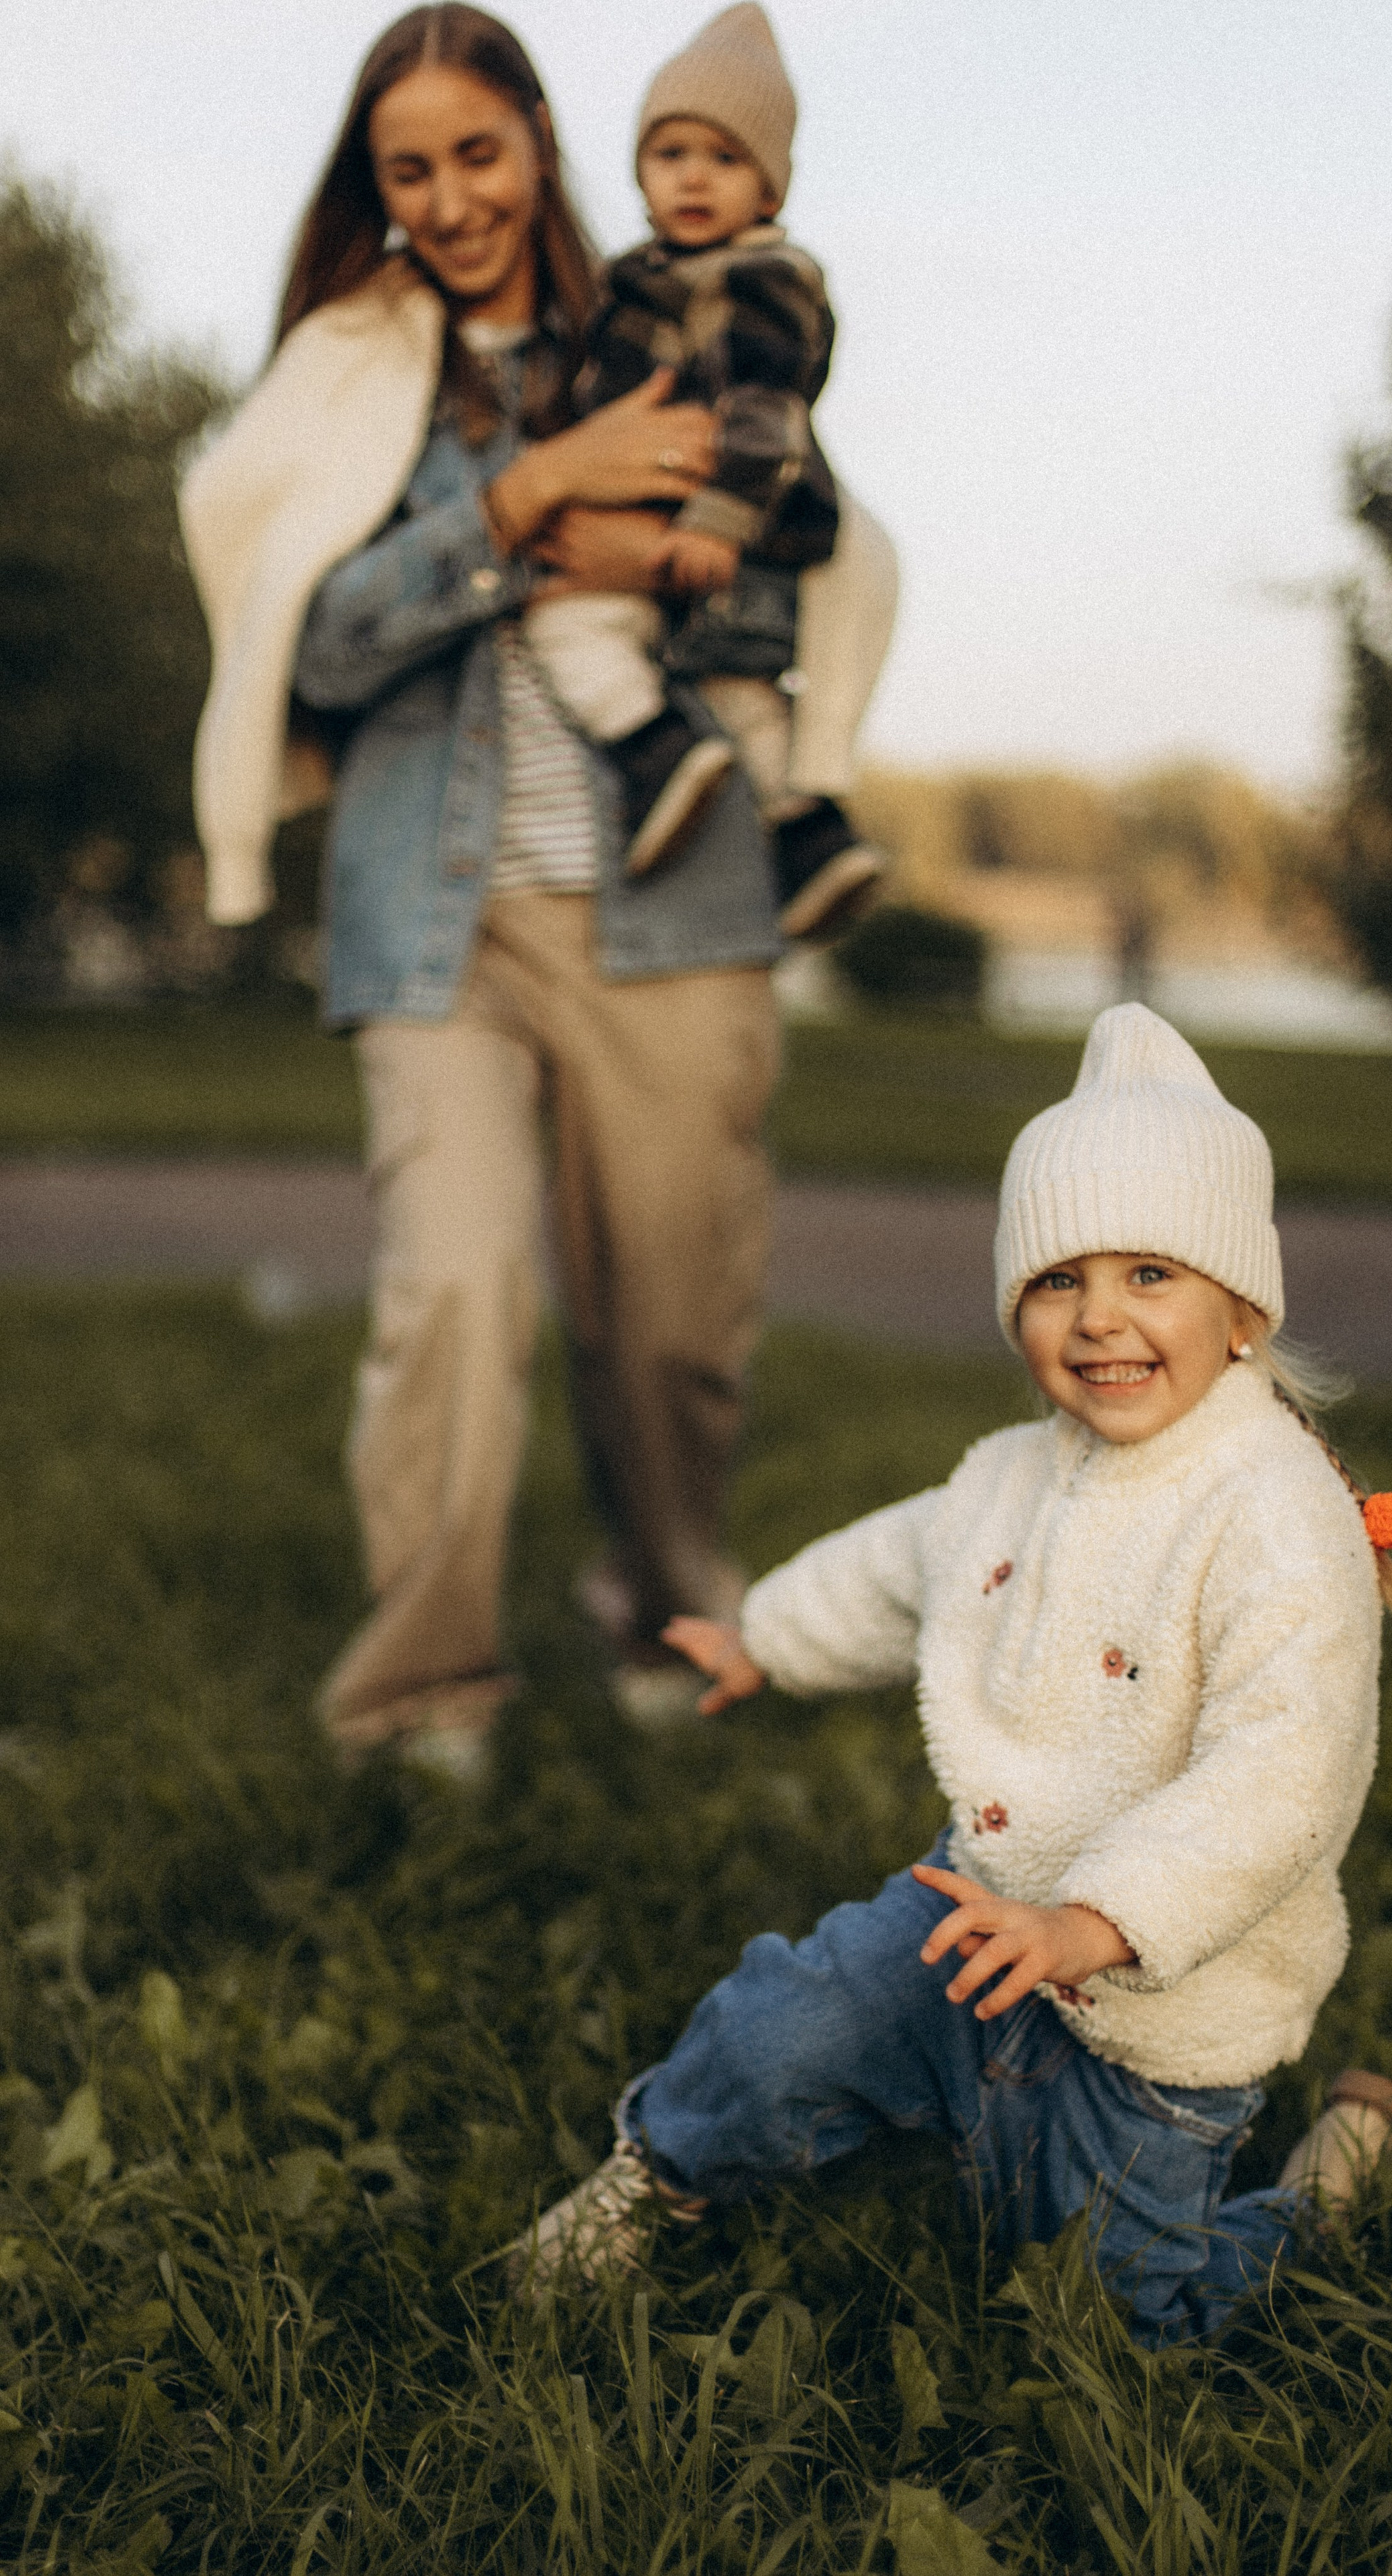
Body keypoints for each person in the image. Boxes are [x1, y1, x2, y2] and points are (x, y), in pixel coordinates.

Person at [178, 4, 897, 1771]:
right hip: (441, 917)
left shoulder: (673, 313)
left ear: (540, 145)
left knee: (671, 1324)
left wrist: (668, 536)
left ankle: (665, 1603)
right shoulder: (356, 367)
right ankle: (424, 1684)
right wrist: (528, 504)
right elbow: (314, 646)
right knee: (457, 1294)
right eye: (406, 169)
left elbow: (814, 531)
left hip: (675, 914)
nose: (448, 199)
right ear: (376, 183)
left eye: (477, 156)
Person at [514, 1004, 1392, 2344]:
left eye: (1150, 1274)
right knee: (788, 2022)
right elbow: (911, 1558)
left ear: (1241, 1307)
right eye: (1056, 1279)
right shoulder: (1017, 1471)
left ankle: (1325, 2184)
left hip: (1161, 2009)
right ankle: (657, 2177)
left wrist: (1097, 1924)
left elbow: (1282, 1773)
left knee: (1116, 2321)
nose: (1098, 1320)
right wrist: (766, 1636)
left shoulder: (1273, 1515)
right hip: (969, 1918)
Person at [523, 3, 886, 940]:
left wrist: (717, 521)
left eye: (726, 159)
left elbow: (769, 408)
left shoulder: (759, 278)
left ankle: (651, 746)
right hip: (686, 536)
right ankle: (812, 836)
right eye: (671, 153)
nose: (694, 176)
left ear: (771, 189)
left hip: (735, 536)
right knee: (744, 699)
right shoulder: (639, 277)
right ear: (641, 169)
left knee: (569, 624)